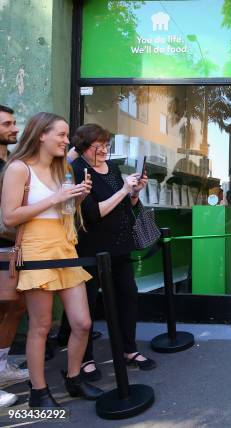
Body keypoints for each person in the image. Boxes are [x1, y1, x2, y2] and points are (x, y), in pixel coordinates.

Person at [1, 112, 103, 407]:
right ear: (41, 135)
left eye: (66, 134)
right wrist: (56, 198)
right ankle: (39, 391)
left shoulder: (63, 169)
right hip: (37, 251)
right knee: (41, 326)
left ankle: (73, 378)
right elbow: (8, 218)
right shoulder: (19, 168)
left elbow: (63, 211)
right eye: (60, 134)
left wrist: (78, 198)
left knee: (82, 322)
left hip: (65, 247)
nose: (66, 140)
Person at [68, 123, 156, 379]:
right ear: (84, 148)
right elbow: (92, 214)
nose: (105, 150)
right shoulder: (77, 171)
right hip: (91, 249)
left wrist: (135, 193)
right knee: (88, 304)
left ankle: (129, 350)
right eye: (99, 146)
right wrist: (123, 190)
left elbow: (125, 206)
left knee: (128, 295)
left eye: (107, 145)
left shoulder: (113, 169)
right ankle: (85, 360)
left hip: (120, 247)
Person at [0, 104, 29, 409]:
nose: (15, 128)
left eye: (15, 122)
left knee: (16, 305)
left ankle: (2, 366)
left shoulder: (12, 162)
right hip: (4, 240)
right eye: (8, 124)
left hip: (13, 243)